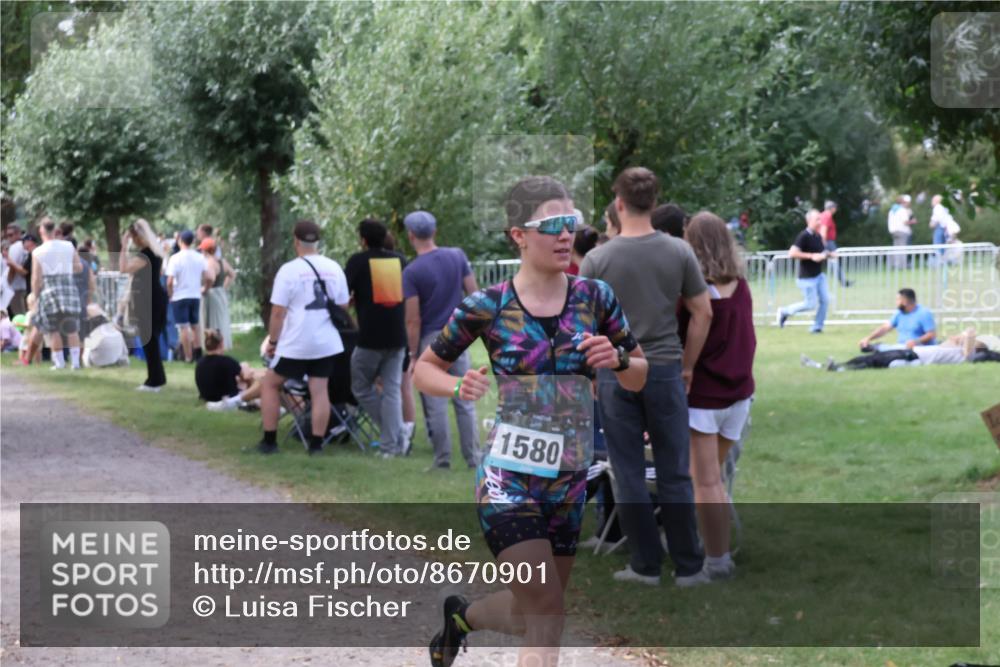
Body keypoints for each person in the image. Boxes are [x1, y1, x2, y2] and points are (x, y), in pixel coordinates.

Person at [414, 175, 647, 667]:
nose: (567, 235)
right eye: (553, 225)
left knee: (531, 612)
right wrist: (457, 386)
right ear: (519, 235)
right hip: (508, 478)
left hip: (568, 480)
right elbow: (424, 368)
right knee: (547, 611)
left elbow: (640, 375)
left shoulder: (596, 297)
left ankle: (461, 616)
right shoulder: (488, 306)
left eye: (572, 223)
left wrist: (620, 361)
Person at [579, 167, 713, 587]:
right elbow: (702, 312)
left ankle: (645, 565)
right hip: (665, 370)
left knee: (628, 471)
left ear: (618, 203)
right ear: (654, 202)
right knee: (674, 470)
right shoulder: (678, 251)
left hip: (616, 373)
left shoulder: (598, 259)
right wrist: (687, 364)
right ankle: (690, 567)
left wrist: (591, 375)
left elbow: (580, 327)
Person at [677, 212, 756, 581]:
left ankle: (716, 559)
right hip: (738, 395)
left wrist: (686, 367)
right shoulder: (741, 286)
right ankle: (716, 549)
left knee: (705, 481)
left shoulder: (693, 293)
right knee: (715, 480)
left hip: (705, 397)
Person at [256, 220, 349, 455]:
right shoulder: (334, 267)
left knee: (270, 384)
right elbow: (343, 305)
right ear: (317, 241)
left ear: (295, 240)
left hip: (296, 341)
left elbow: (278, 312)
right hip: (326, 341)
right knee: (320, 390)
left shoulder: (289, 270)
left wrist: (274, 342)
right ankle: (316, 445)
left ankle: (269, 441)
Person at [403, 210, 479, 469]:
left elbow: (413, 319)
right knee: (464, 397)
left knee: (435, 400)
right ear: (434, 231)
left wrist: (413, 355)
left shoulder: (412, 272)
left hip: (432, 339)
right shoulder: (457, 256)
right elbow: (474, 294)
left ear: (411, 236)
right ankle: (473, 458)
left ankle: (442, 460)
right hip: (458, 333)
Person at [345, 218, 409, 457]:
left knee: (360, 386)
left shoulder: (358, 261)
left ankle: (393, 437)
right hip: (397, 335)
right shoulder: (400, 260)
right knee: (392, 390)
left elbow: (344, 294)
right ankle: (393, 441)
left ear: (363, 240)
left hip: (370, 336)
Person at [119, 219, 169, 390]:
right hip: (155, 296)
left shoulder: (145, 255)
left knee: (149, 340)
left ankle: (154, 380)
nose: (132, 240)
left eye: (132, 237)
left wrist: (123, 246)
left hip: (149, 298)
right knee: (151, 339)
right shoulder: (156, 253)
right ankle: (156, 378)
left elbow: (123, 268)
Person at [802, 327, 996, 371]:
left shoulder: (964, 356)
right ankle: (837, 366)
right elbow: (957, 338)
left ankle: (839, 369)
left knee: (877, 361)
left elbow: (969, 338)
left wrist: (969, 337)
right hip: (912, 354)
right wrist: (960, 338)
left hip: (912, 357)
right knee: (875, 358)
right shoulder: (951, 348)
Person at [32, 219, 84, 370]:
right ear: (55, 230)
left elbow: (36, 278)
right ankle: (75, 363)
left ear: (42, 232)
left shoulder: (38, 251)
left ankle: (60, 363)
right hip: (68, 288)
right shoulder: (68, 246)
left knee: (53, 329)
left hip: (49, 290)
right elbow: (79, 267)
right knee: (72, 327)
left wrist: (35, 296)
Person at [776, 210, 830, 333]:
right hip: (807, 278)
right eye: (817, 219)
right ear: (809, 221)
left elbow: (821, 253)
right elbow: (792, 253)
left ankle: (817, 327)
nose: (820, 222)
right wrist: (811, 256)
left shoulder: (818, 236)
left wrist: (829, 254)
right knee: (810, 304)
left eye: (820, 219)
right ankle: (784, 311)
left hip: (819, 276)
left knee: (825, 300)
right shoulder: (803, 236)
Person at [165, 229, 208, 362]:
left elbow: (170, 281)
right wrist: (204, 287)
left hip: (180, 295)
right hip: (195, 294)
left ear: (180, 241)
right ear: (193, 241)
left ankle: (188, 356)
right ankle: (198, 352)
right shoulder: (199, 257)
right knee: (195, 325)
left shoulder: (175, 258)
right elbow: (208, 276)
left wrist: (170, 294)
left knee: (183, 327)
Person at [198, 329, 264, 409]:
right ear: (221, 344)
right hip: (226, 398)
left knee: (243, 369)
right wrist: (249, 369)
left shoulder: (200, 362)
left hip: (208, 398)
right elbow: (246, 377)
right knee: (260, 382)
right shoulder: (227, 361)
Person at [857, 288, 936, 352]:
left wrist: (916, 342)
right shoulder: (899, 313)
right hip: (902, 347)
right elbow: (884, 328)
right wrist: (868, 338)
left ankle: (877, 348)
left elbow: (931, 335)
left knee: (888, 351)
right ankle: (877, 348)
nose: (896, 302)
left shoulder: (924, 313)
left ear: (904, 301)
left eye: (897, 300)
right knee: (888, 349)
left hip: (921, 349)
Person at [199, 237, 235, 350]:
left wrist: (204, 289)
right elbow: (232, 274)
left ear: (205, 250)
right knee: (221, 319)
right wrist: (224, 287)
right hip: (220, 292)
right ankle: (221, 344)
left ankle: (214, 344)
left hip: (212, 294)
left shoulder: (210, 262)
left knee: (212, 321)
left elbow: (211, 279)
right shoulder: (222, 261)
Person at [81, 303, 129, 368]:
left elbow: (86, 354)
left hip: (97, 362)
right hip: (116, 361)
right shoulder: (117, 332)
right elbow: (125, 351)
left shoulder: (94, 334)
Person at [818, 200, 851, 287]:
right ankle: (843, 282)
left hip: (826, 241)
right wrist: (823, 243)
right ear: (831, 208)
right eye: (835, 207)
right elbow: (823, 230)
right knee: (834, 261)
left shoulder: (822, 215)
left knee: (832, 262)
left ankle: (842, 281)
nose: (836, 209)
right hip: (828, 242)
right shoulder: (827, 215)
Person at [5, 225, 33, 316]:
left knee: (19, 317)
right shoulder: (26, 246)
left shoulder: (14, 247)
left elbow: (12, 269)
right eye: (8, 235)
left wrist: (7, 283)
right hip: (27, 287)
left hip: (16, 288)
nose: (9, 238)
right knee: (27, 315)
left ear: (18, 234)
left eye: (11, 235)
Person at [887, 194, 916, 269]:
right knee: (903, 249)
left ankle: (895, 264)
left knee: (896, 248)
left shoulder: (892, 210)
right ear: (903, 202)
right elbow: (905, 222)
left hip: (893, 231)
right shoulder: (902, 210)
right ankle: (902, 265)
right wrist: (913, 221)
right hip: (902, 231)